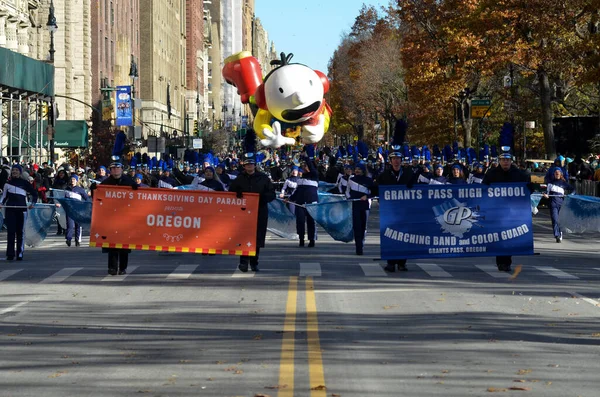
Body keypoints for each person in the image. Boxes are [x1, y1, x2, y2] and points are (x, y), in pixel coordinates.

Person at [229, 129, 276, 272]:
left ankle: (254, 261)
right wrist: (236, 194)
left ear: (255, 165)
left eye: (251, 164)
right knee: (243, 237)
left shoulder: (263, 178)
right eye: (247, 165)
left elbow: (272, 194)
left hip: (259, 211)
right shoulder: (239, 179)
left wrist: (262, 199)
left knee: (256, 238)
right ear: (244, 166)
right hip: (243, 213)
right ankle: (243, 262)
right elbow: (230, 193)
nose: (249, 166)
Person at [482, 146, 532, 271]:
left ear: (511, 161)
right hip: (496, 211)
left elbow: (528, 189)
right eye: (503, 160)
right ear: (499, 161)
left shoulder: (519, 174)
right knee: (499, 236)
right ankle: (501, 262)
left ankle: (507, 261)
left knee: (509, 236)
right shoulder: (491, 174)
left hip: (512, 212)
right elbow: (482, 190)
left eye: (507, 160)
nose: (505, 162)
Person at [374, 147, 415, 272]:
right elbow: (377, 190)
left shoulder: (408, 174)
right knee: (390, 236)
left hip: (405, 211)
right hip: (390, 211)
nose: (396, 161)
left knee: (404, 236)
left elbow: (417, 190)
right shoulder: (384, 176)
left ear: (401, 161)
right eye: (394, 159)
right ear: (390, 161)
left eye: (398, 159)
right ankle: (391, 262)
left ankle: (402, 262)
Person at [96, 158, 137, 275]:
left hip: (125, 218)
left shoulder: (129, 182)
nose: (115, 170)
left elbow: (138, 197)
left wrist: (135, 189)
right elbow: (99, 196)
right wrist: (94, 189)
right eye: (113, 168)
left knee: (124, 245)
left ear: (122, 169)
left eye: (117, 168)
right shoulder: (106, 183)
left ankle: (123, 268)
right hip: (111, 218)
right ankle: (112, 268)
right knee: (112, 244)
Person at [0, 164, 38, 260]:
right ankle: (10, 254)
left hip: (22, 210)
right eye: (13, 170)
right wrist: (0, 203)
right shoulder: (7, 184)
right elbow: (4, 197)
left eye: (17, 170)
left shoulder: (25, 183)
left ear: (20, 172)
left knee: (20, 232)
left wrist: (33, 203)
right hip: (10, 210)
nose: (14, 172)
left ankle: (20, 253)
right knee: (11, 232)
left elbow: (34, 194)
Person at [290, 145, 319, 247]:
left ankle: (312, 240)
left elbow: (311, 167)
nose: (304, 167)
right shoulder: (300, 179)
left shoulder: (314, 176)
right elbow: (297, 191)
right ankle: (301, 239)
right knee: (300, 221)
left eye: (305, 166)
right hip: (300, 203)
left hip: (311, 203)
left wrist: (307, 157)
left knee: (311, 222)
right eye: (303, 166)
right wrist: (289, 199)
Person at [346, 162, 374, 255]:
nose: (357, 170)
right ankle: (358, 247)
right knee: (357, 226)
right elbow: (347, 192)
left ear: (363, 170)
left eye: (359, 169)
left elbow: (374, 192)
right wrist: (349, 198)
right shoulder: (351, 179)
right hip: (355, 205)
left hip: (365, 205)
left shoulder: (368, 180)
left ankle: (362, 242)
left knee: (363, 226)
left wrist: (367, 196)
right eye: (356, 169)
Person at [543, 168, 573, 243]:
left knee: (561, 220)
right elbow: (546, 193)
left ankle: (560, 232)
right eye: (555, 173)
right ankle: (557, 235)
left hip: (561, 203)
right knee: (555, 219)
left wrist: (570, 195)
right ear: (554, 174)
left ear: (561, 174)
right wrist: (545, 195)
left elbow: (573, 189)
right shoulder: (550, 183)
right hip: (553, 203)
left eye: (558, 173)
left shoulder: (564, 183)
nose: (557, 174)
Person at [64, 174, 89, 247]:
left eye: (74, 180)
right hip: (70, 210)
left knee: (78, 225)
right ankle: (68, 239)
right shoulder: (67, 189)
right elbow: (64, 199)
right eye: (71, 179)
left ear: (77, 181)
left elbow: (86, 198)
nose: (72, 181)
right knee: (70, 225)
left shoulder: (80, 189)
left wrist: (84, 205)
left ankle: (77, 240)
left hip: (78, 210)